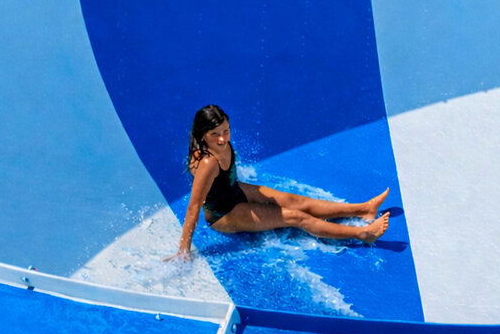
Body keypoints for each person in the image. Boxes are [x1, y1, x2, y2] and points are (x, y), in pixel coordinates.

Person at [165, 105, 390, 261]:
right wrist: (183, 250)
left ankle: (363, 209)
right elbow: (194, 207)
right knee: (295, 217)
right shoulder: (208, 163)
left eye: (226, 130)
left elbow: (225, 178)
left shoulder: (220, 145)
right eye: (216, 134)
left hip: (235, 190)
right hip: (224, 213)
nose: (223, 138)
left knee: (297, 201)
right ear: (203, 134)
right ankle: (362, 234)